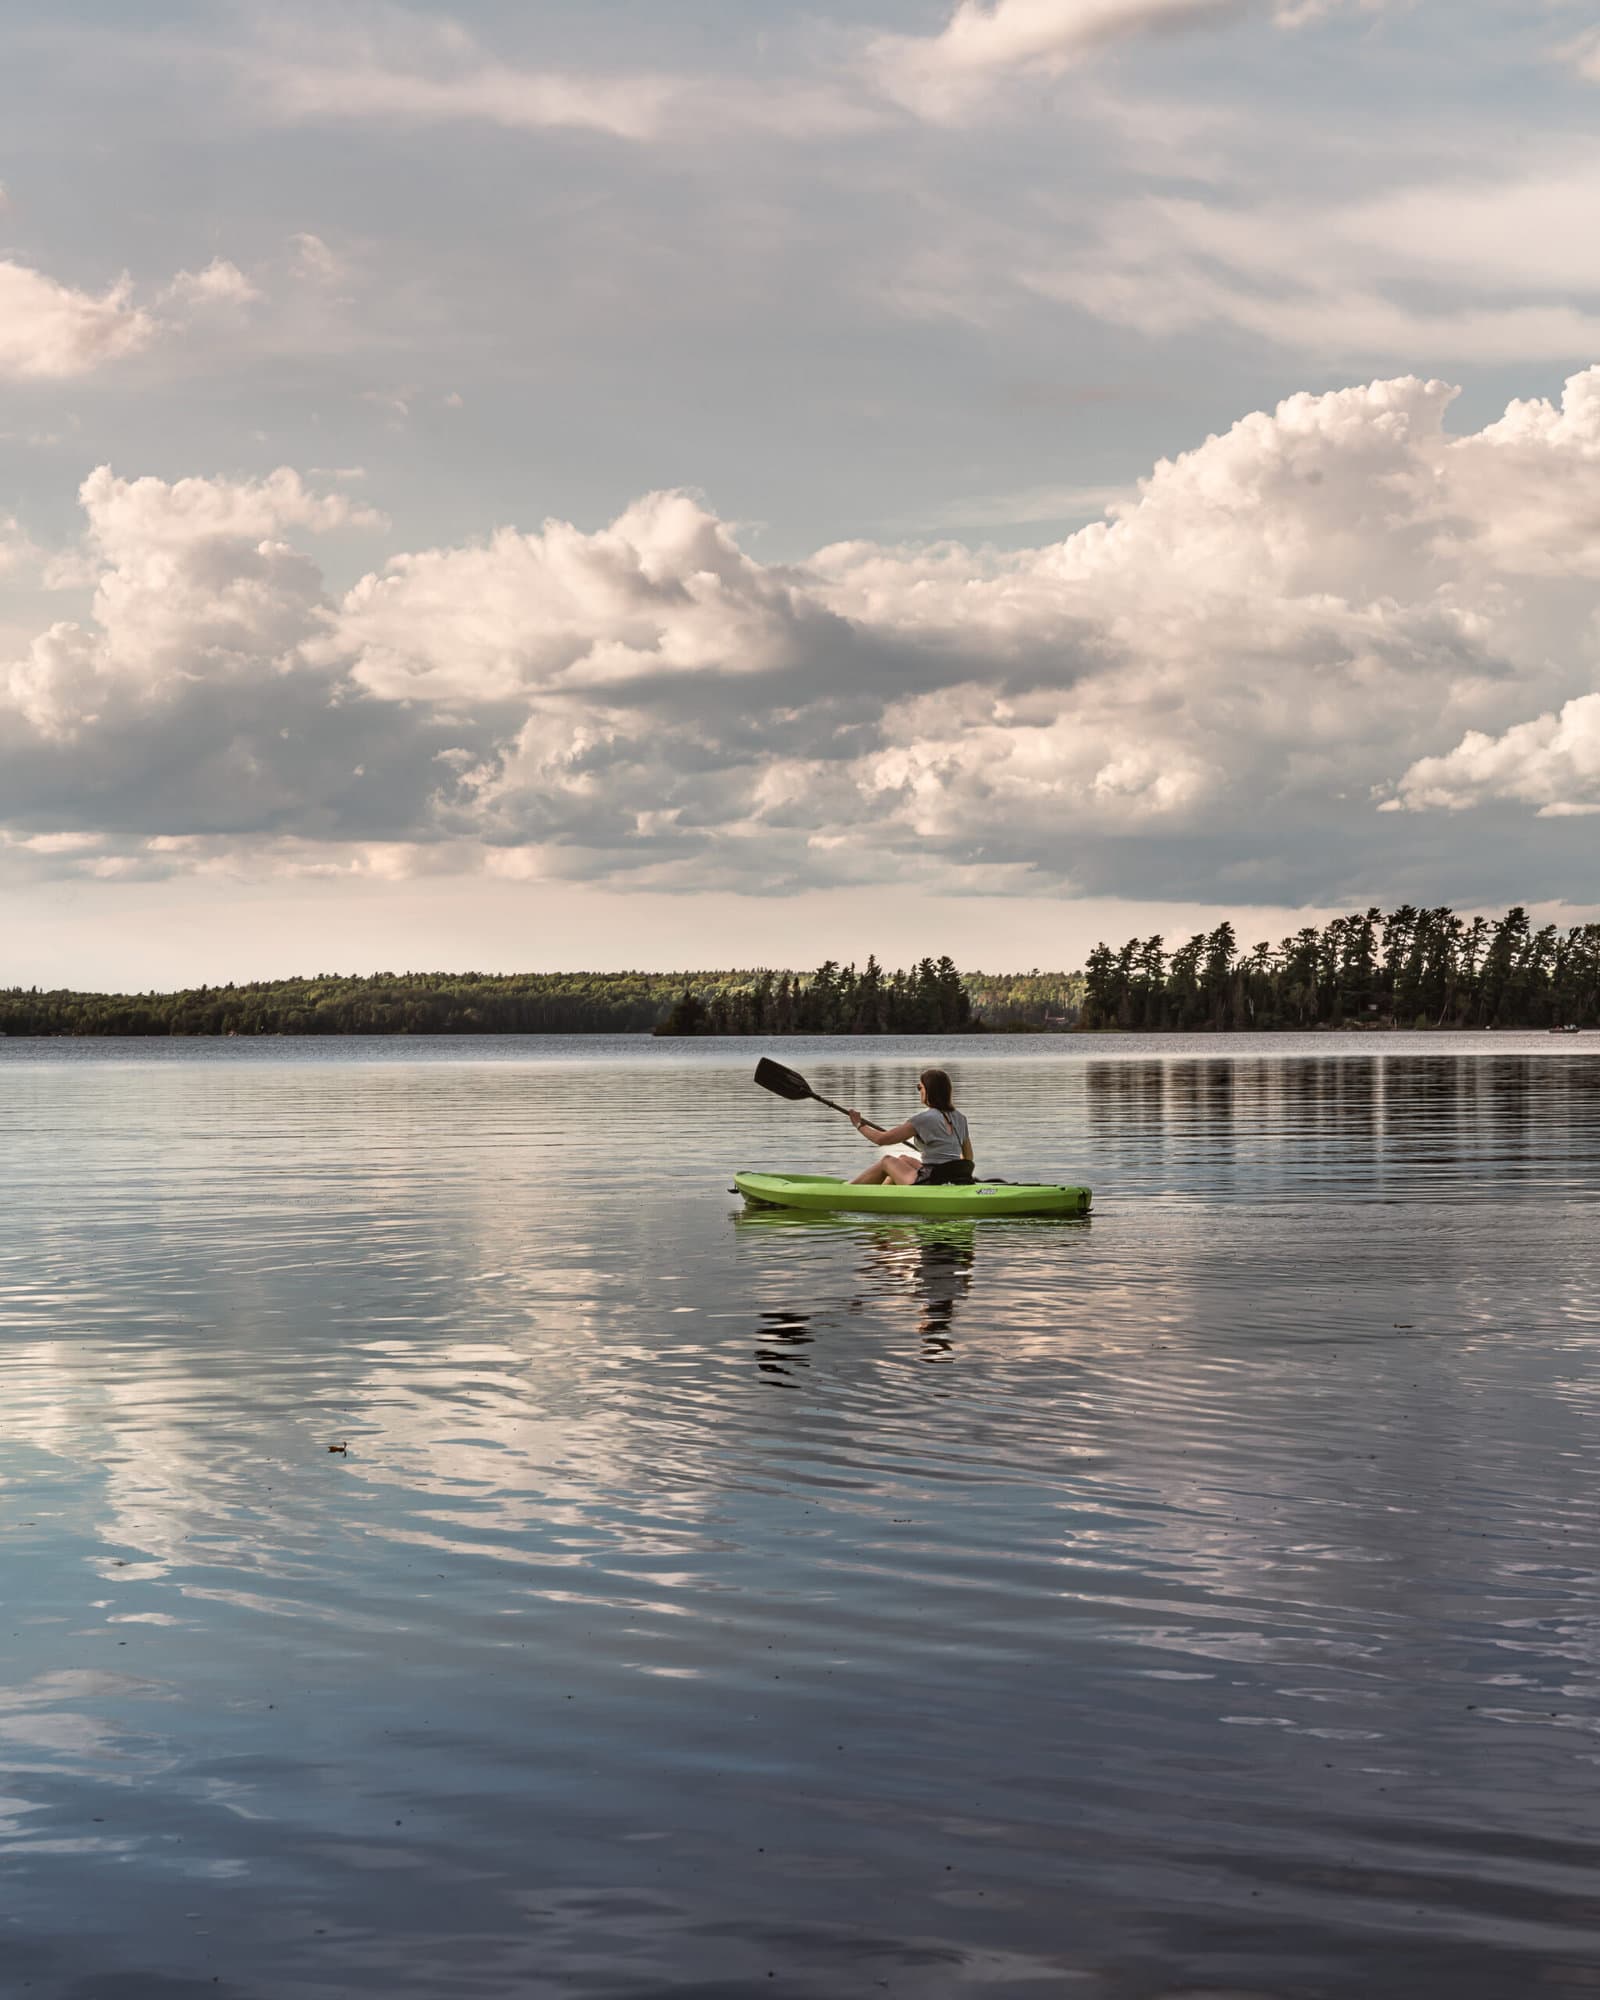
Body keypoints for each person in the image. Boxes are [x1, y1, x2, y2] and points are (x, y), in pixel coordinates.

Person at [846, 1068, 975, 1187]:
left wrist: (859, 1125)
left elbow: (882, 1139)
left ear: (928, 1090)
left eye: (920, 1087)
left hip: (932, 1180)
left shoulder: (923, 1119)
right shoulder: (961, 1118)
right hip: (954, 1178)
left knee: (887, 1161)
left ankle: (849, 1191)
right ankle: (885, 1193)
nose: (919, 1091)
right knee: (903, 1159)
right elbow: (968, 1157)